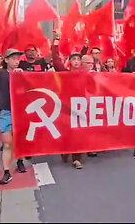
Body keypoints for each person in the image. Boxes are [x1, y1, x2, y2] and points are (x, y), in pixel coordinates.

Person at [0, 48, 27, 185]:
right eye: (13, 58)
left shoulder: (22, 74)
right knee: (7, 142)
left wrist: (23, 76)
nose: (16, 61)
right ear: (6, 60)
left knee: (19, 140)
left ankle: (20, 161)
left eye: (17, 58)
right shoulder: (1, 74)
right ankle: (7, 172)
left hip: (21, 111)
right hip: (6, 112)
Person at [51, 33, 85, 169]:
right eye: (74, 59)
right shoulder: (64, 73)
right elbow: (56, 60)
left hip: (81, 107)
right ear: (70, 62)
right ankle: (65, 151)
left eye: (78, 59)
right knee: (67, 131)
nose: (76, 61)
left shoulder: (86, 75)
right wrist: (55, 44)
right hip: (66, 107)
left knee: (78, 132)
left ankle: (77, 158)